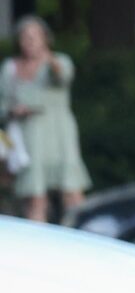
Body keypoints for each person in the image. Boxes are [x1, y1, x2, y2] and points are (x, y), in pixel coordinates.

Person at [2, 17, 90, 224]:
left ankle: (82, 239)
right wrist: (13, 111)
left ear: (45, 38)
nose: (29, 41)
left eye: (34, 36)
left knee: (71, 193)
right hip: (27, 140)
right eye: (24, 36)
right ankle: (38, 247)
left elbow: (62, 76)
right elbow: (3, 105)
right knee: (34, 197)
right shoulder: (10, 68)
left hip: (59, 137)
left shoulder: (59, 61)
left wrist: (47, 58)